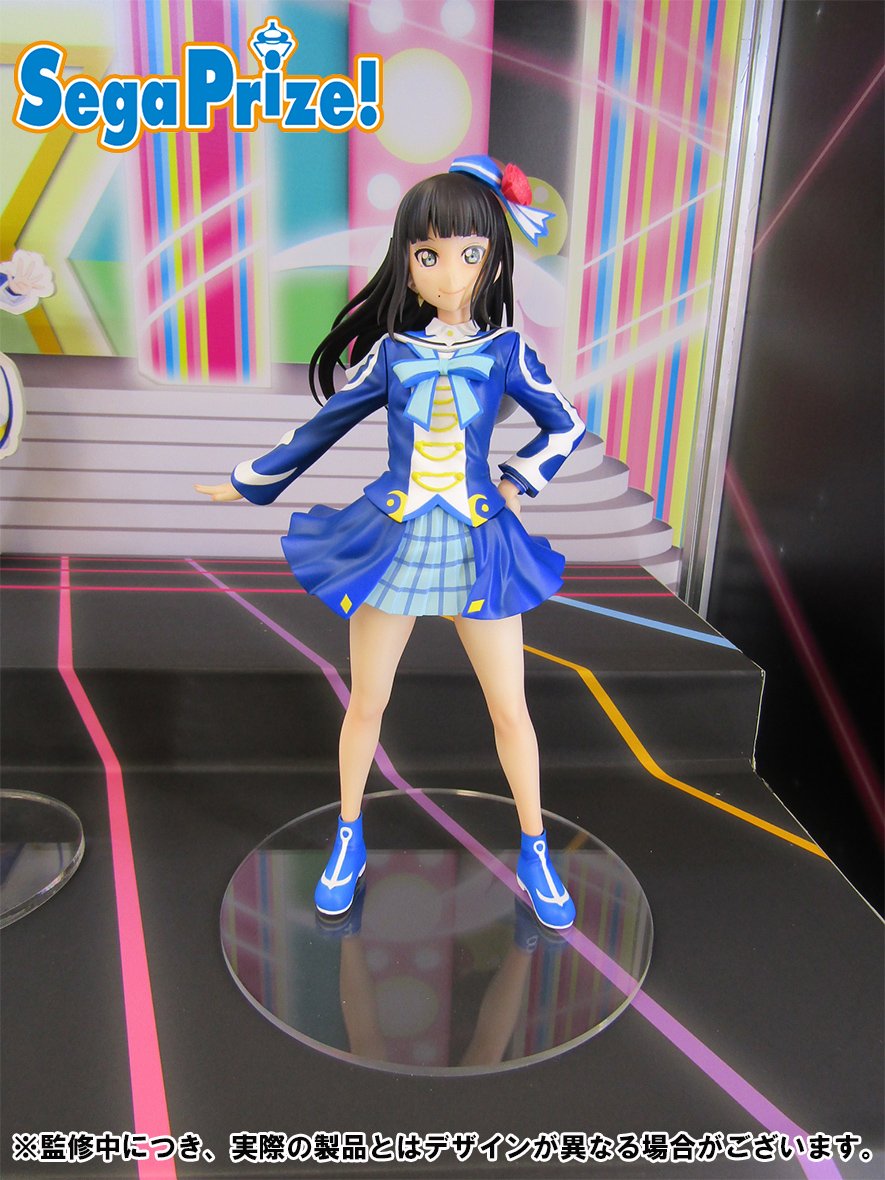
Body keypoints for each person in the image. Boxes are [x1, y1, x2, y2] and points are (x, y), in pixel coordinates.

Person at [196, 156, 585, 929]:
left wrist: (518, 481)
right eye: (429, 255)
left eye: (469, 254)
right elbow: (321, 427)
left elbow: (564, 425)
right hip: (392, 539)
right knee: (366, 701)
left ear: (494, 258)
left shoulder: (506, 351)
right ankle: (348, 836)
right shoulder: (392, 354)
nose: (450, 273)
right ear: (407, 262)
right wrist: (249, 479)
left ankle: (534, 846)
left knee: (510, 710)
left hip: (477, 540)